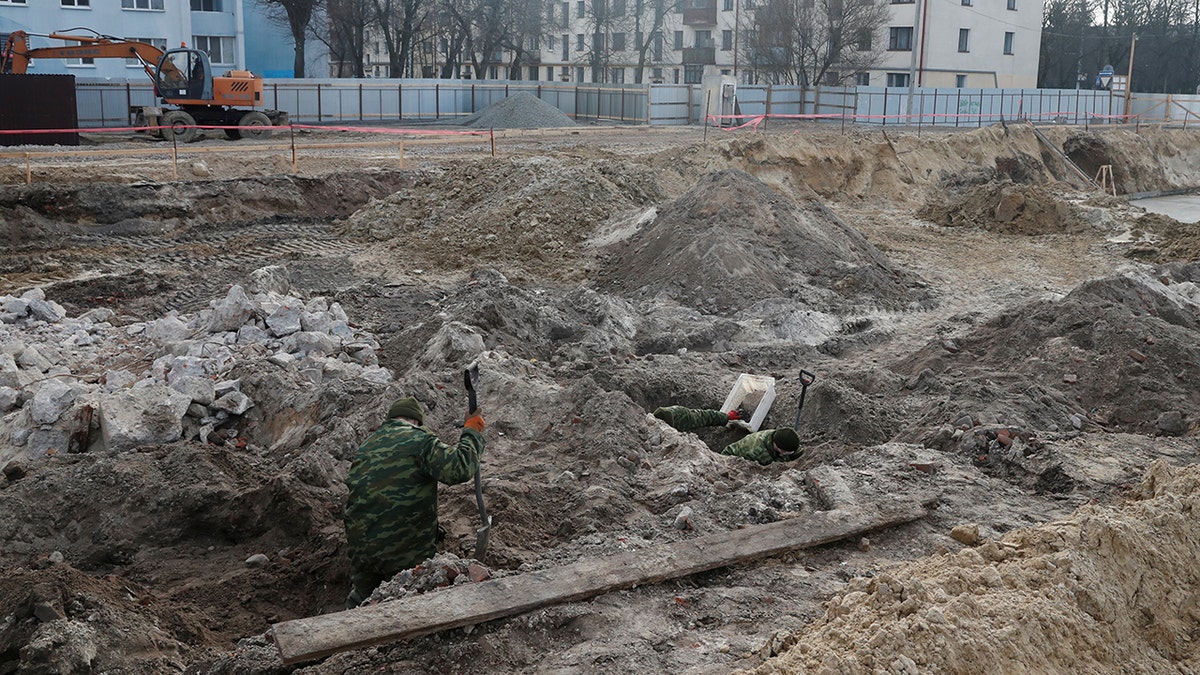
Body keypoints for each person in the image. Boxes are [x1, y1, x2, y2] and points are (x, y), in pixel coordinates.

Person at [343, 396, 485, 609]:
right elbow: (460, 469)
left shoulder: (366, 447)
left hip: (361, 552)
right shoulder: (420, 440)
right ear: (417, 422)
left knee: (363, 596)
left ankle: (349, 623)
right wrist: (472, 431)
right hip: (404, 553)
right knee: (412, 598)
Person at [652, 405, 801, 466]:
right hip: (728, 459)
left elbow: (701, 416)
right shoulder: (758, 451)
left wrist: (726, 417)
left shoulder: (679, 415)